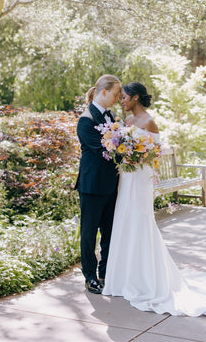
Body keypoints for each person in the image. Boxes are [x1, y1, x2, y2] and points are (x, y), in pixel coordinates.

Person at [102, 82, 206, 316]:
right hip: (126, 178)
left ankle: (146, 278)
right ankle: (122, 278)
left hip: (141, 179)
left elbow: (153, 154)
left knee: (140, 220)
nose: (122, 101)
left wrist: (135, 154)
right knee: (124, 219)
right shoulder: (127, 122)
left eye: (125, 97)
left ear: (136, 97)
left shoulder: (149, 121)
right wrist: (123, 152)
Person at [75, 74, 121, 294]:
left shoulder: (110, 116)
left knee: (109, 231)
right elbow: (104, 150)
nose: (118, 98)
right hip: (92, 186)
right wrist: (128, 153)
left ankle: (106, 272)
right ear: (104, 92)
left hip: (111, 185)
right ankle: (90, 276)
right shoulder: (86, 120)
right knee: (89, 233)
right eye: (115, 94)